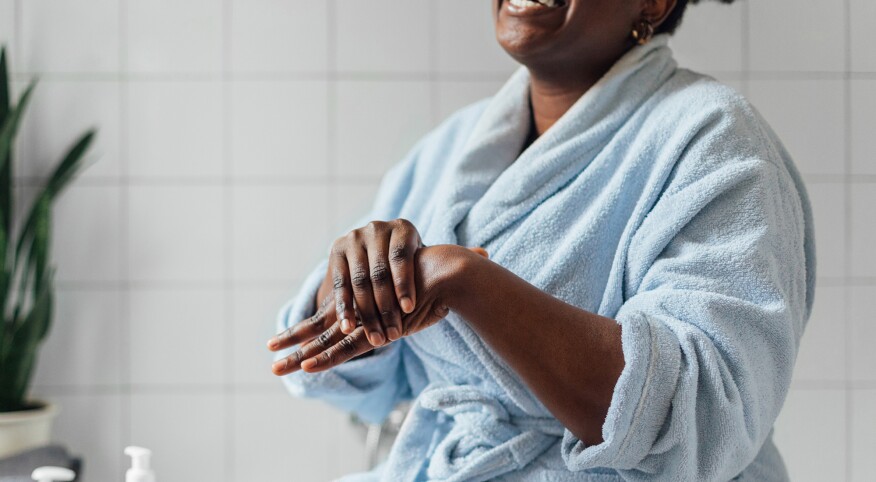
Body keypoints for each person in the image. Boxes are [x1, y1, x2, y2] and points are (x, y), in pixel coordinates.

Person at [267, 0, 815, 480]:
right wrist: (358, 279)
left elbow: (703, 419)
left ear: (652, 3)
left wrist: (470, 282)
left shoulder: (717, 142)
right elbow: (369, 381)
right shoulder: (456, 144)